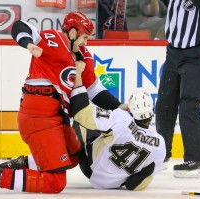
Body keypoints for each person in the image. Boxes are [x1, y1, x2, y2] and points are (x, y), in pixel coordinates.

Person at [0, 11, 126, 195]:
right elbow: (20, 26)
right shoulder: (54, 39)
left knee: (74, 155)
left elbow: (94, 91)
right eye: (84, 37)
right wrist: (28, 44)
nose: (86, 42)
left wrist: (119, 106)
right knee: (55, 183)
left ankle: (13, 167)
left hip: (56, 118)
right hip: (38, 118)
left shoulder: (83, 57)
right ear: (73, 33)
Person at [69, 61, 166, 190]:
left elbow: (81, 112)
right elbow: (135, 184)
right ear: (151, 114)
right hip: (115, 183)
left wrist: (79, 75)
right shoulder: (160, 144)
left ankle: (57, 158)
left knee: (81, 120)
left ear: (130, 110)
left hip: (90, 169)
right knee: (109, 131)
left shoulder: (121, 118)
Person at [155, 0, 200, 178]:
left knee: (189, 105)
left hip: (199, 53)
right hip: (173, 52)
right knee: (164, 104)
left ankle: (198, 160)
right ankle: (161, 154)